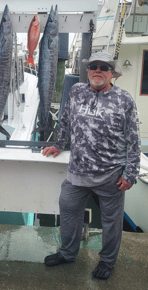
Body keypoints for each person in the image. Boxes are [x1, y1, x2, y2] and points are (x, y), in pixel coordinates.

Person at [42, 51, 141, 280]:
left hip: (111, 176)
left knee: (111, 223)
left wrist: (131, 174)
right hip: (77, 173)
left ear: (111, 74)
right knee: (68, 213)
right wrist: (59, 144)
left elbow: (133, 139)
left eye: (104, 67)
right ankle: (67, 254)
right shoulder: (77, 91)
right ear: (87, 71)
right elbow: (65, 119)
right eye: (94, 66)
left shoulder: (124, 99)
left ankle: (107, 262)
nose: (98, 70)